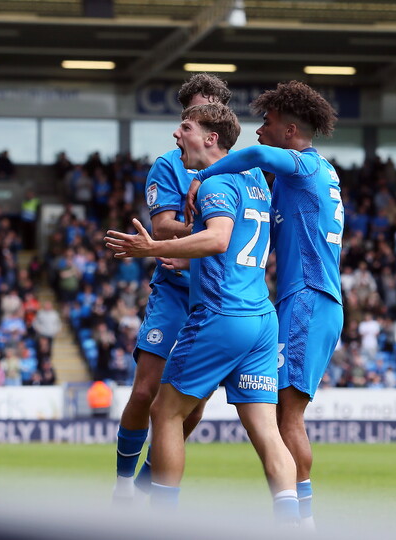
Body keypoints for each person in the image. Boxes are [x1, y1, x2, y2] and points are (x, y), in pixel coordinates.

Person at [105, 102, 298, 523]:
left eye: (186, 127)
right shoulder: (255, 180)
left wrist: (153, 249)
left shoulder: (214, 183)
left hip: (220, 315)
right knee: (267, 432)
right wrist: (188, 260)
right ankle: (295, 523)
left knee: (164, 411)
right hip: (261, 319)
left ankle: (160, 520)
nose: (178, 135)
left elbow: (218, 239)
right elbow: (240, 246)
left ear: (211, 138)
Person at [186, 80, 343, 528]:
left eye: (267, 123)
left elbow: (254, 156)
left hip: (307, 297)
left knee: (285, 416)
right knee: (280, 414)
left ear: (290, 130)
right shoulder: (317, 174)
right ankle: (298, 520)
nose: (258, 131)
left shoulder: (302, 165)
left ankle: (303, 525)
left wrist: (202, 175)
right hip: (313, 298)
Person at [111, 73, 233, 502]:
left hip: (217, 296)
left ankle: (149, 477)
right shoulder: (169, 163)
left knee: (193, 403)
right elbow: (162, 226)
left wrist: (212, 228)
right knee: (146, 389)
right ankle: (124, 483)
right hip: (174, 289)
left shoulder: (244, 167)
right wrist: (207, 229)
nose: (190, 123)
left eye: (202, 111)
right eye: (188, 114)